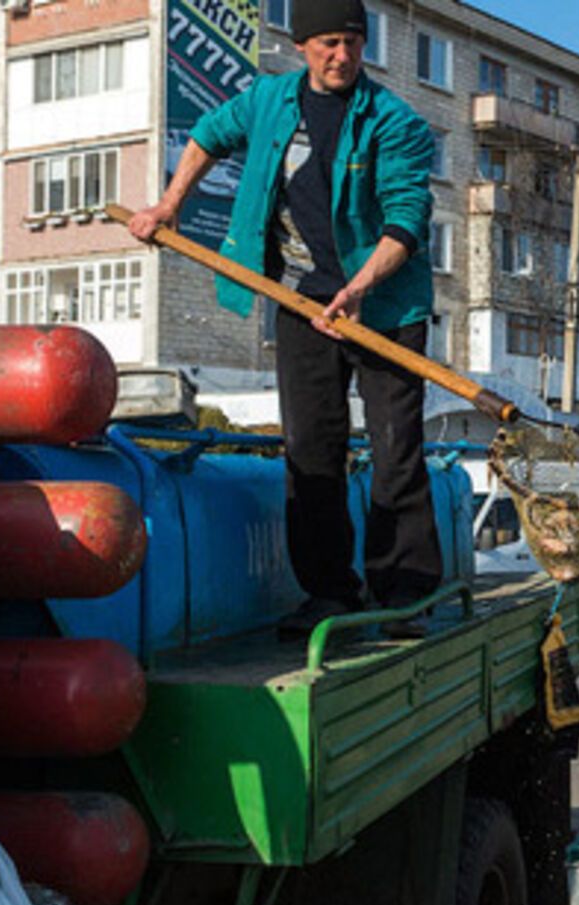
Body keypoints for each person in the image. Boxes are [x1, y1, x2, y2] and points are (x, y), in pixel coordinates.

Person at [126, 0, 440, 638]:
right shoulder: (269, 100)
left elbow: (407, 220)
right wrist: (168, 204)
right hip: (300, 301)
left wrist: (356, 289)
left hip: (382, 306)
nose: (342, 56)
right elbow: (208, 135)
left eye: (353, 42)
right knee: (310, 450)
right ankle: (329, 593)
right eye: (328, 43)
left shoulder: (396, 122)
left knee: (395, 449)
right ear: (301, 45)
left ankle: (404, 592)